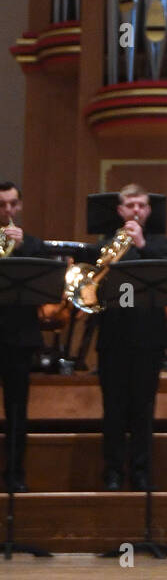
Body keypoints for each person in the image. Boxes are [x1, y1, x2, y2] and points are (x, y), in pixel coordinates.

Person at [96, 184, 167, 491]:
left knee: (143, 410)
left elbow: (166, 275)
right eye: (130, 205)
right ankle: (112, 472)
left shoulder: (161, 246)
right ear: (120, 211)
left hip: (148, 340)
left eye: (141, 205)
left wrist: (141, 244)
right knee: (113, 410)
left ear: (149, 210)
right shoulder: (103, 246)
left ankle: (141, 471)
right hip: (112, 338)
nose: (136, 211)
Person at [0, 182, 50, 492]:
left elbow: (45, 280)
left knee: (18, 410)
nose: (8, 211)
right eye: (2, 205)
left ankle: (16, 474)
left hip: (19, 337)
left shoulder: (33, 246)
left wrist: (19, 251)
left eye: (12, 204)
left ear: (20, 206)